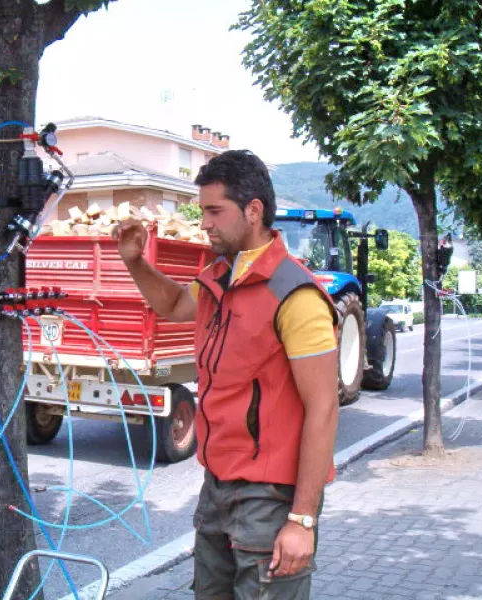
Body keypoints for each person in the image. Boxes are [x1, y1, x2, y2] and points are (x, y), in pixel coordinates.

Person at [113, 150, 339, 599]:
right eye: (202, 212)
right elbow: (175, 305)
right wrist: (135, 262)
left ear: (253, 210)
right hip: (217, 488)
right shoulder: (220, 277)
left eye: (215, 211)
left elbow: (324, 408)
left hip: (271, 498)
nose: (205, 223)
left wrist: (302, 520)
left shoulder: (295, 295)